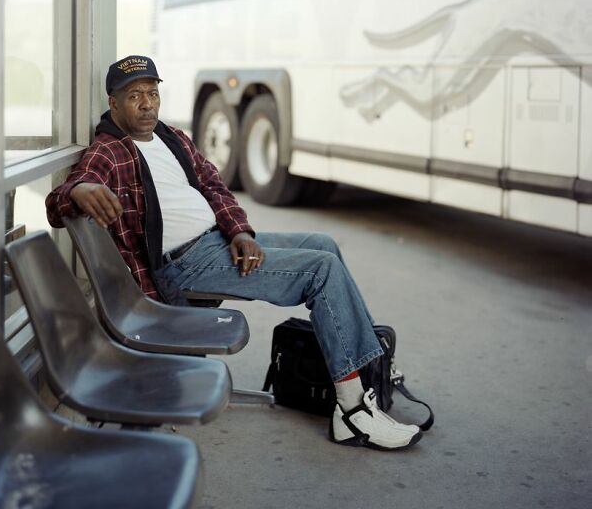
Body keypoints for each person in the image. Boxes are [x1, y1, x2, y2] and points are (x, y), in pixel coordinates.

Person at [46, 55, 423, 450]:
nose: (147, 104)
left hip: (216, 241)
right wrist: (75, 191)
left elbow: (212, 184)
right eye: (135, 95)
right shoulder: (109, 151)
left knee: (322, 244)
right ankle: (351, 411)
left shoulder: (171, 137)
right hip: (183, 265)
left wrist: (240, 232)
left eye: (153, 93)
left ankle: (369, 370)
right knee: (321, 269)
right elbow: (62, 200)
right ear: (114, 104)